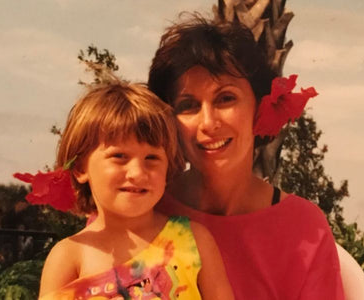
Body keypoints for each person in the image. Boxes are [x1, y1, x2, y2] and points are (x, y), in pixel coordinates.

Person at [148, 15, 345, 299]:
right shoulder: (138, 206)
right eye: (188, 105)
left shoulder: (303, 227)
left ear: (260, 105)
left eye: (225, 98)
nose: (208, 123)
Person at [14, 81, 234, 300]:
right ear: (80, 167)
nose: (137, 173)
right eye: (119, 157)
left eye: (152, 158)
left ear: (168, 168)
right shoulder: (70, 256)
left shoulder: (194, 240)